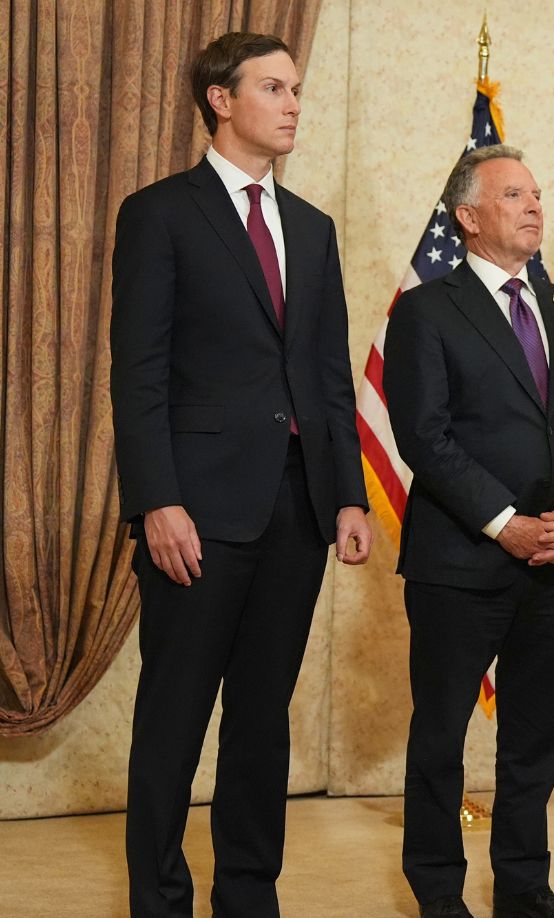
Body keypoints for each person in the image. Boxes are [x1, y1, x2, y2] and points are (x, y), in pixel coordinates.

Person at [111, 31, 372, 918]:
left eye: (295, 88)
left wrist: (346, 495)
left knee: (262, 721)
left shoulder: (313, 228)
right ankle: (159, 901)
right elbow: (138, 375)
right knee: (174, 718)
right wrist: (157, 500)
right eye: (273, 88)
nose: (294, 103)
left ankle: (249, 897)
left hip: (297, 509)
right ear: (220, 101)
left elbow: (328, 377)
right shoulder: (160, 214)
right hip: (196, 511)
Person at [383, 144, 554, 918]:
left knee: (535, 737)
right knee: (440, 736)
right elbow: (424, 437)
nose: (533, 205)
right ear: (469, 216)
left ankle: (524, 888)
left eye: (537, 194)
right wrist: (504, 523)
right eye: (513, 194)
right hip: (458, 562)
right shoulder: (426, 311)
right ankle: (439, 896)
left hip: (552, 560)